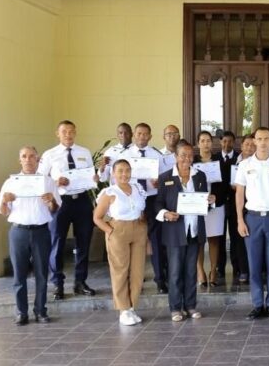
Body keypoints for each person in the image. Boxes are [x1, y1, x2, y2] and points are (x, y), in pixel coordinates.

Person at [0, 146, 60, 325]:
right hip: (18, 232)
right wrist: (4, 201)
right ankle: (21, 312)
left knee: (41, 273)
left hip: (41, 231)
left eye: (32, 156)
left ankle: (40, 311)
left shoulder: (47, 181)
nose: (28, 159)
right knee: (19, 274)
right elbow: (2, 210)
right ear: (20, 160)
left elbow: (55, 208)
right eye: (24, 156)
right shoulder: (11, 183)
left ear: (38, 159)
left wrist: (51, 201)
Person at [156, 140, 215, 321]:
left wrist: (210, 201)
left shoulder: (200, 176)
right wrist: (165, 214)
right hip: (175, 231)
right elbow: (157, 203)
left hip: (194, 231)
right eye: (183, 155)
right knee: (174, 272)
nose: (187, 159)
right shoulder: (165, 177)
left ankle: (190, 305)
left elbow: (204, 204)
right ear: (175, 156)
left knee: (191, 271)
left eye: (190, 155)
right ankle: (175, 308)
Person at [38, 120, 97, 300]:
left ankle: (80, 282)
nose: (68, 135)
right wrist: (55, 183)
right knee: (57, 242)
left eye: (71, 131)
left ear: (75, 132)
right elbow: (40, 179)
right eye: (64, 132)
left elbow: (90, 174)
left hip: (82, 200)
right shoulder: (50, 155)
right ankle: (58, 284)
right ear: (58, 133)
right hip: (60, 202)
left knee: (84, 242)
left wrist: (95, 177)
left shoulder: (84, 152)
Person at [236, 127, 269, 320]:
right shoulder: (244, 165)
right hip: (252, 218)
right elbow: (239, 194)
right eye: (259, 139)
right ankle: (258, 304)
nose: (263, 142)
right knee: (254, 265)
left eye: (266, 138)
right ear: (254, 141)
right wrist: (240, 220)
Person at [92, 159, 147, 326]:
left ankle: (132, 307)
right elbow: (97, 217)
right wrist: (110, 231)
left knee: (138, 271)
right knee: (120, 270)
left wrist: (143, 227)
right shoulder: (109, 192)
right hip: (118, 230)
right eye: (120, 171)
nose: (124, 174)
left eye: (127, 170)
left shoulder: (137, 188)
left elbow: (142, 210)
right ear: (114, 174)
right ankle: (123, 309)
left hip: (138, 229)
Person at [121, 123, 166, 294]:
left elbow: (166, 178)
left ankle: (160, 280)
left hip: (153, 200)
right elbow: (117, 179)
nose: (142, 137)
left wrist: (158, 182)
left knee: (156, 241)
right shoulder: (125, 155)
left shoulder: (157, 155)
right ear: (134, 135)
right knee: (134, 242)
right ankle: (134, 282)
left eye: (145, 134)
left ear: (150, 136)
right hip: (132, 200)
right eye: (139, 133)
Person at [194, 131, 225, 287]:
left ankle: (213, 271)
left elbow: (225, 185)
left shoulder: (219, 161)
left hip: (216, 205)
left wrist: (216, 198)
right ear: (198, 143)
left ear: (212, 144)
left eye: (208, 141)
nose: (205, 144)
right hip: (197, 205)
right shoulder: (192, 161)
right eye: (202, 140)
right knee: (199, 241)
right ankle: (200, 271)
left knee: (214, 239)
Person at [217, 131, 242, 283]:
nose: (227, 144)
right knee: (219, 238)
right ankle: (220, 268)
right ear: (220, 142)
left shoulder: (239, 159)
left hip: (234, 203)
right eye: (224, 141)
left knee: (235, 237)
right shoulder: (215, 159)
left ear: (234, 142)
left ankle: (236, 267)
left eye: (230, 141)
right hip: (219, 203)